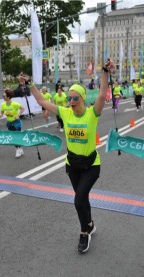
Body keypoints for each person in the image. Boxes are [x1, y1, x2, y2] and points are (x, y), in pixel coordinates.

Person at [24, 59, 115, 253]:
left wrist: (105, 72)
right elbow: (41, 101)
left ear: (83, 99)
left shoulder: (92, 113)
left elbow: (101, 94)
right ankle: (89, 223)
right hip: (72, 164)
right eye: (69, 98)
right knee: (82, 198)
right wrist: (30, 83)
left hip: (91, 165)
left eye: (75, 98)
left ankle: (84, 233)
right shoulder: (65, 113)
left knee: (78, 200)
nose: (71, 102)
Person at [0, 89, 25, 158]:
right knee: (13, 137)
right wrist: (0, 115)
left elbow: (23, 108)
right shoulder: (3, 104)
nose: (3, 97)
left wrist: (18, 115)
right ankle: (20, 149)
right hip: (9, 122)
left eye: (4, 96)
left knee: (16, 136)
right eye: (3, 96)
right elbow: (1, 112)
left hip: (16, 122)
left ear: (8, 97)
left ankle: (17, 150)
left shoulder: (15, 104)